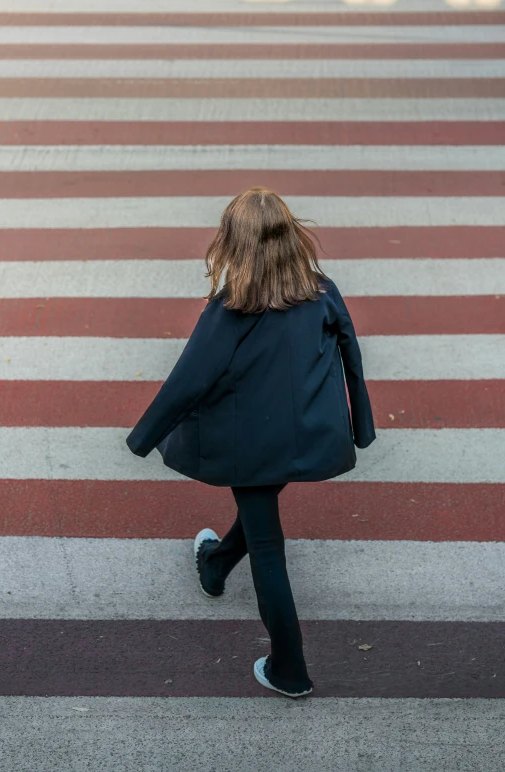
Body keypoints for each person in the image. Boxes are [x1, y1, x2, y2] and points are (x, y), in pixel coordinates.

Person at [126, 187, 376, 698]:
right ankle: (216, 563)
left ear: (232, 242)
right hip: (306, 433)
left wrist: (143, 437)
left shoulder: (231, 307)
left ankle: (289, 669)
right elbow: (352, 355)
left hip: (249, 441)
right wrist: (361, 427)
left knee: (268, 546)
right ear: (290, 236)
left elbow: (190, 378)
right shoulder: (322, 291)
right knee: (261, 508)